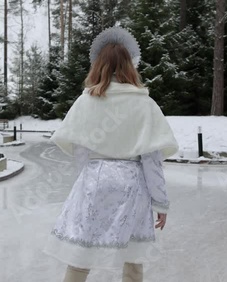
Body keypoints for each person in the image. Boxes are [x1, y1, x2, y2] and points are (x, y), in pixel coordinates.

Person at [43, 26, 179, 282]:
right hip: (132, 182)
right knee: (133, 255)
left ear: (98, 65)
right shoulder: (144, 103)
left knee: (81, 250)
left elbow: (80, 151)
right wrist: (160, 203)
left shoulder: (87, 101)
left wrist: (92, 175)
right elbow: (151, 160)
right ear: (130, 66)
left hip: (95, 179)